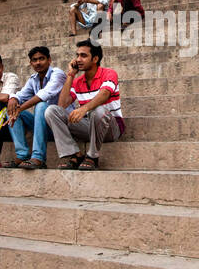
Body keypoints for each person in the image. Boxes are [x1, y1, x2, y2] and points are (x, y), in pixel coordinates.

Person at [45, 38, 124, 171]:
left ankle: (92, 156)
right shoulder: (78, 81)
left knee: (98, 110)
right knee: (51, 111)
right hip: (88, 127)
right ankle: (75, 154)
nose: (78, 59)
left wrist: (84, 109)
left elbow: (104, 94)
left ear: (95, 59)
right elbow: (62, 104)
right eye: (77, 55)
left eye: (83, 55)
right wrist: (71, 74)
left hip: (110, 128)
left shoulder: (109, 74)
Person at [7, 46, 65, 170]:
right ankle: (22, 155)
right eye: (34, 60)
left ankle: (38, 157)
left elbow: (44, 95)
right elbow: (21, 95)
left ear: (49, 60)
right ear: (31, 63)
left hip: (59, 125)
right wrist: (13, 99)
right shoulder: (33, 79)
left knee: (41, 105)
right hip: (43, 126)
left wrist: (20, 108)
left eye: (41, 59)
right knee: (10, 111)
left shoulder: (57, 73)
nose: (38, 63)